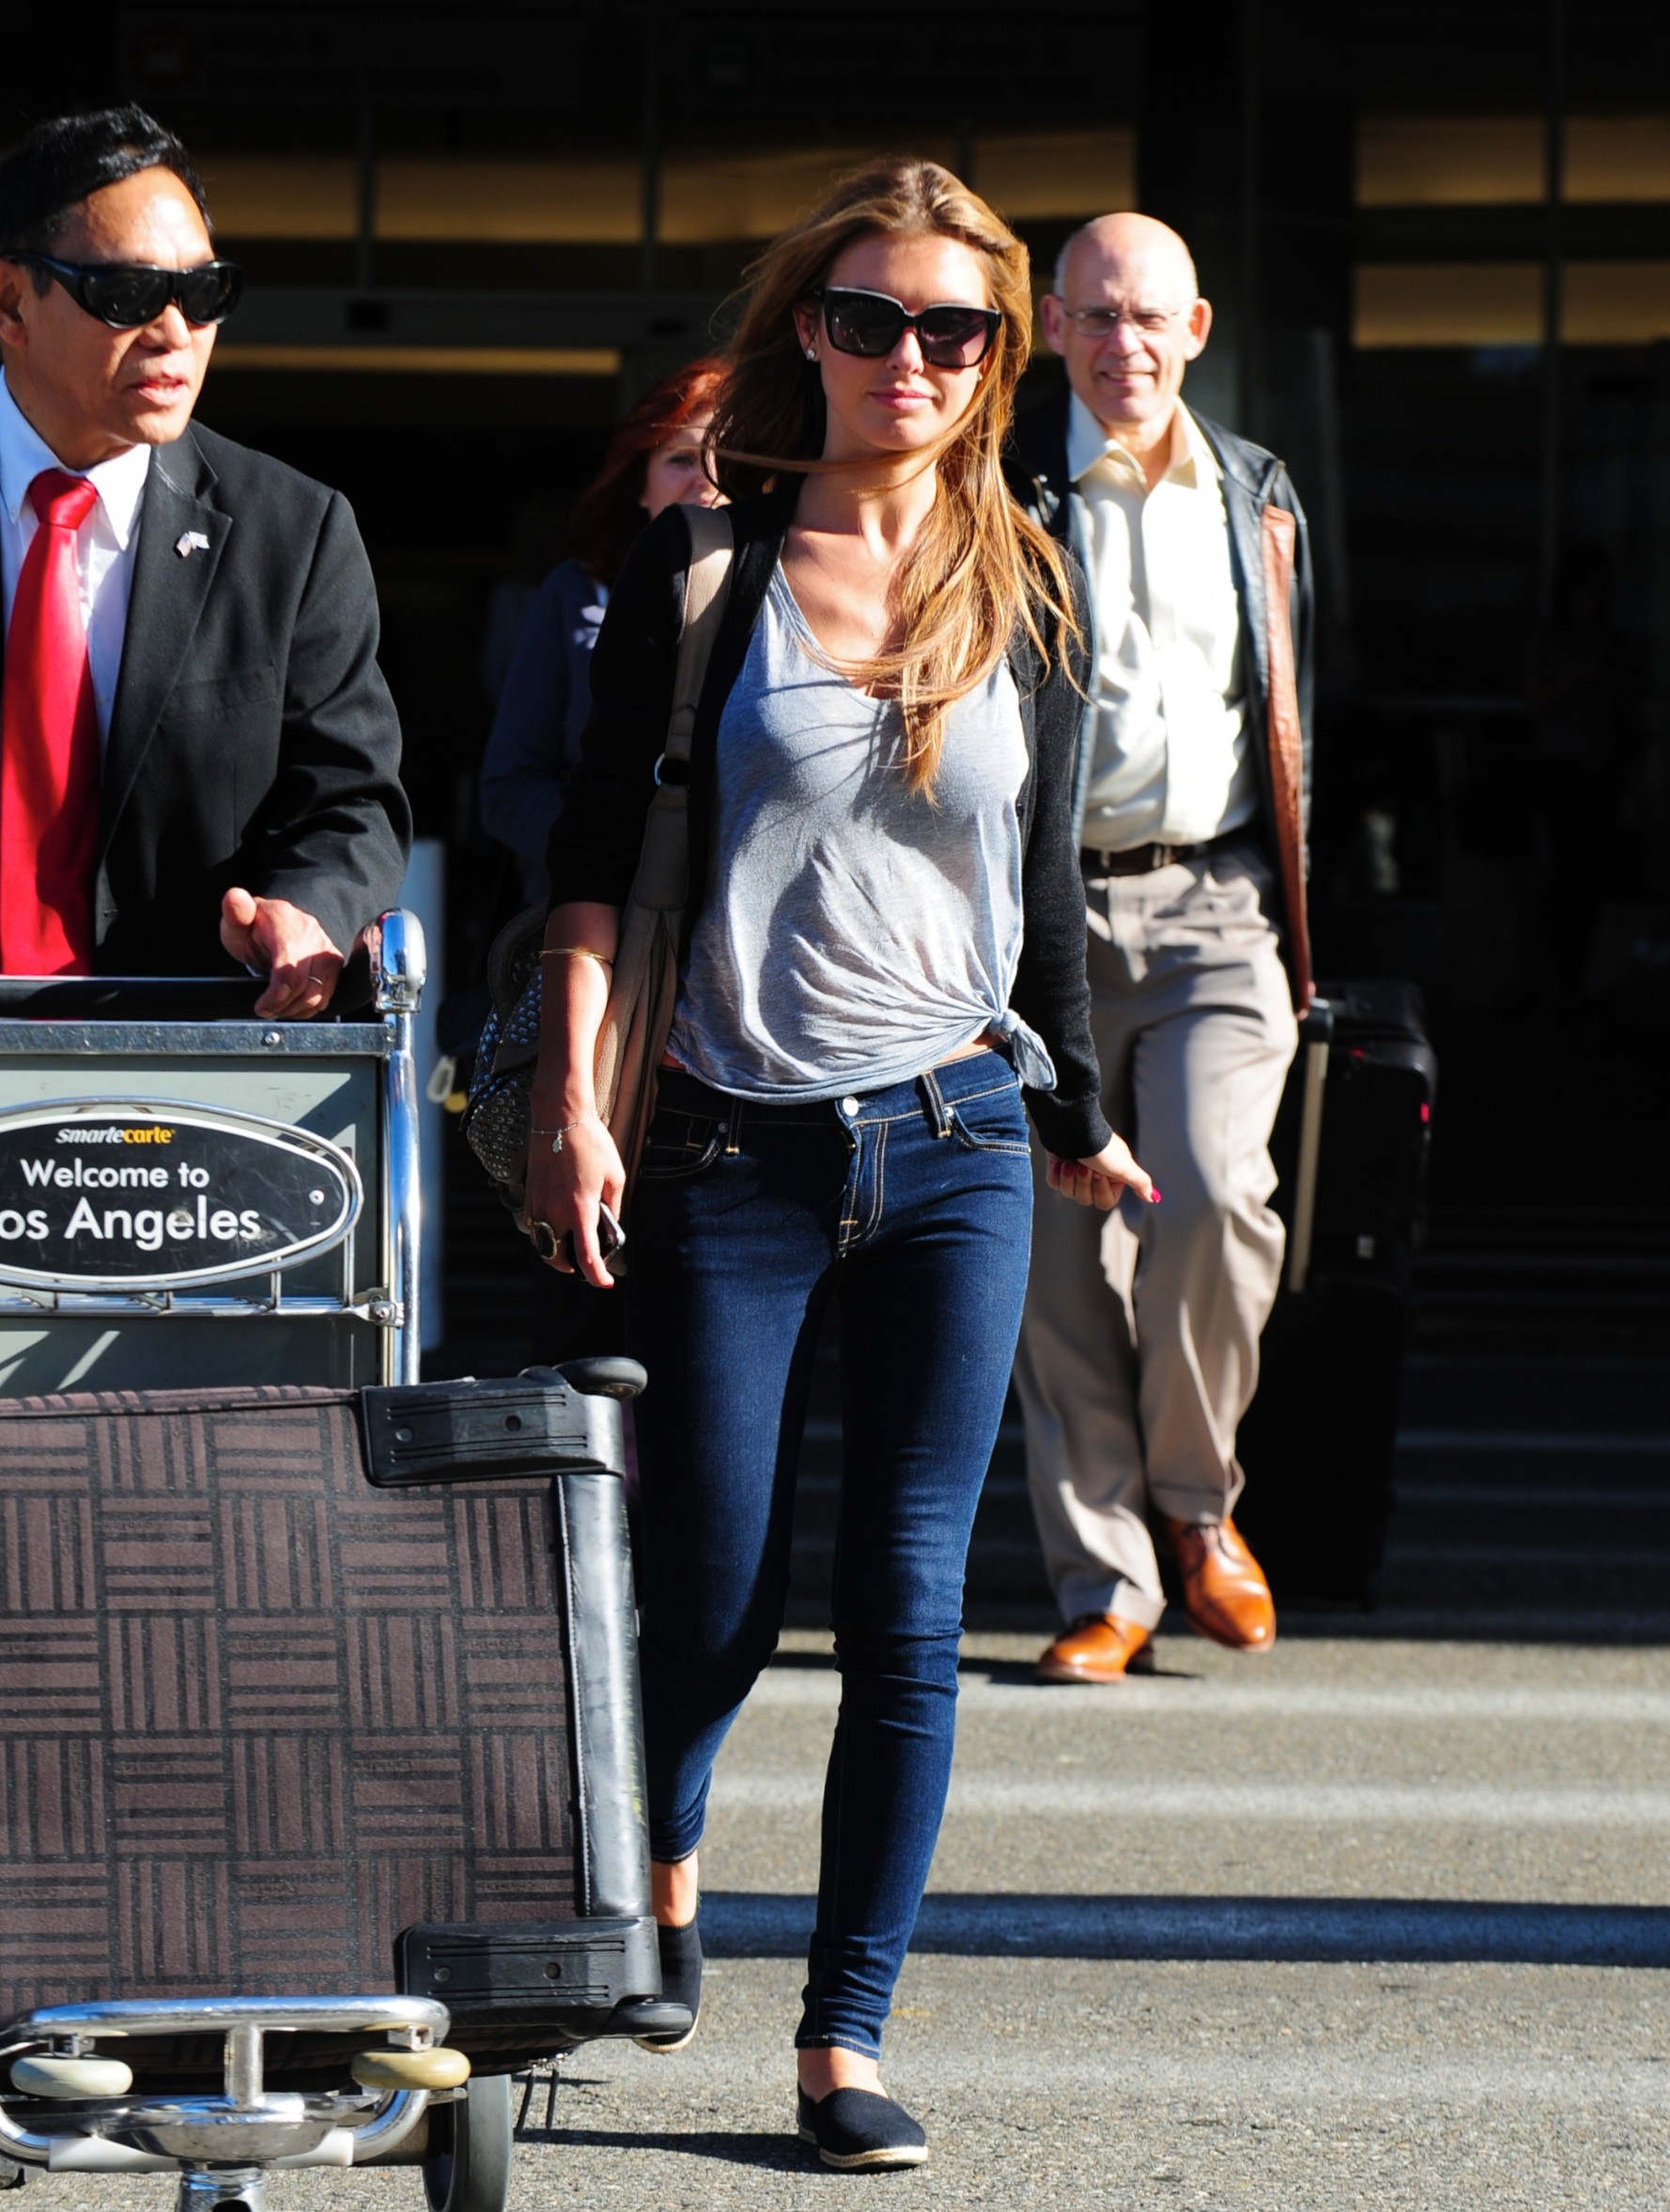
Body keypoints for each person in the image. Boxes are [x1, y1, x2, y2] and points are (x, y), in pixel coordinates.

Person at [525, 158, 1151, 2170]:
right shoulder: (707, 569)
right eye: (872, 318)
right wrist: (565, 1100)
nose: (911, 358)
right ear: (811, 326)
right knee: (706, 1585)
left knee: (900, 1598)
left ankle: (844, 2035)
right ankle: (672, 1847)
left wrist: (1069, 1111)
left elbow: (1035, 876)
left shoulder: (1030, 573)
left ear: (997, 359)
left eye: (954, 329)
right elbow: (590, 864)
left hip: (955, 1131)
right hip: (728, 1134)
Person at [1006, 212, 1313, 1685]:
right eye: (1095, 315)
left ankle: (1196, 1509)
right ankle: (1105, 1578)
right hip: (1036, 916)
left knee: (1209, 1192)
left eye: (1150, 318)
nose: (1122, 343)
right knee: (1051, 1264)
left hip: (1215, 904)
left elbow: (1293, 706)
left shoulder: (1255, 492)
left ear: (1196, 330)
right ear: (1052, 328)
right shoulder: (1003, 483)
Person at [0, 107, 409, 1010]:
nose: (174, 331)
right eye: (128, 294)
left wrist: (304, 912)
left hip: (180, 1071)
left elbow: (350, 802)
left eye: (204, 292)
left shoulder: (291, 534)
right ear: (12, 301)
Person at [479, 359, 726, 900]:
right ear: (640, 485)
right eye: (681, 459)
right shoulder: (574, 595)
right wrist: (628, 850)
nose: (707, 482)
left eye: (729, 459)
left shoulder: (793, 600)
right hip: (593, 931)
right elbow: (508, 791)